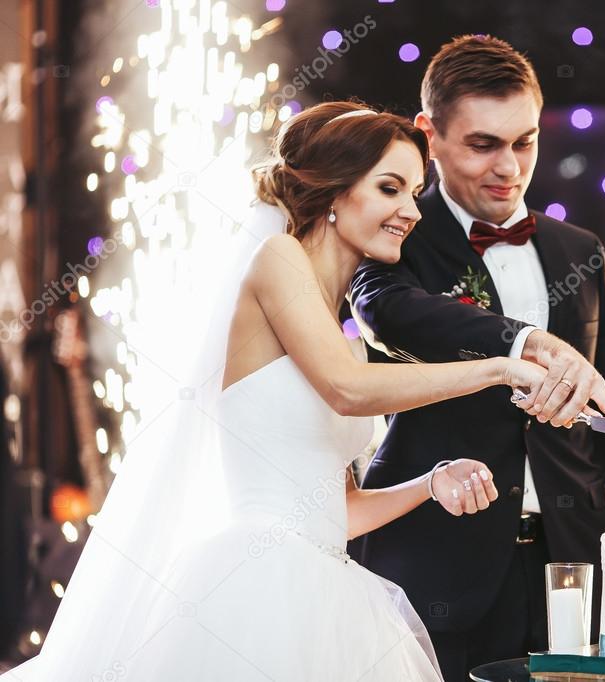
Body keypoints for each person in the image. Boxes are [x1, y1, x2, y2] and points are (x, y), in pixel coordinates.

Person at [0, 102, 556, 682]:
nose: (410, 211)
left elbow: (339, 512)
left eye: (415, 193)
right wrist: (500, 368)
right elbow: (347, 391)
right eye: (390, 188)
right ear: (335, 192)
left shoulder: (340, 335)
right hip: (257, 577)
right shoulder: (278, 259)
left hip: (325, 586)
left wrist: (430, 482)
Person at [349, 35, 605, 681]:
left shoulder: (579, 248)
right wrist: (524, 342)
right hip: (435, 557)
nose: (508, 167)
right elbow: (387, 310)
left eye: (524, 142)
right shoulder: (395, 232)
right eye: (482, 144)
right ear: (429, 135)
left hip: (573, 567)